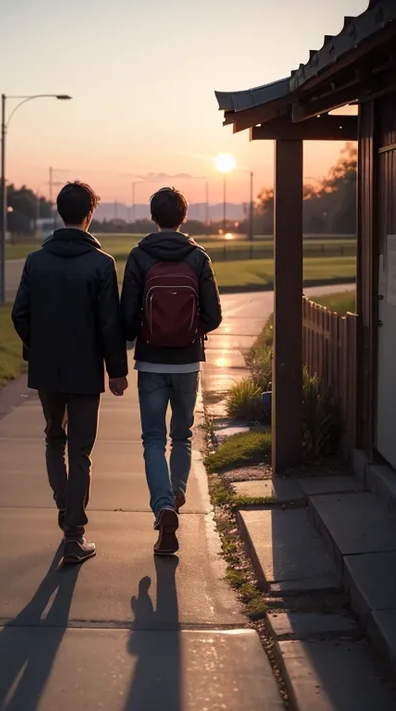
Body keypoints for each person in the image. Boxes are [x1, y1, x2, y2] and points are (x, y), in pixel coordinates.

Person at [12, 181, 128, 564]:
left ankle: (66, 511)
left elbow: (20, 315)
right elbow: (110, 325)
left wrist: (40, 345)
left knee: (53, 440)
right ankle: (73, 535)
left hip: (46, 369)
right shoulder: (101, 264)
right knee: (80, 451)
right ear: (89, 214)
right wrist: (116, 371)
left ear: (60, 212)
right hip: (85, 369)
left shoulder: (35, 261)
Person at [121, 187, 222, 555]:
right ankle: (176, 496)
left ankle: (162, 505)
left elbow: (128, 320)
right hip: (187, 363)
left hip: (150, 362)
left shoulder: (139, 257)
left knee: (152, 439)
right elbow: (213, 315)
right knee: (182, 437)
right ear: (184, 217)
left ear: (153, 216)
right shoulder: (198, 258)